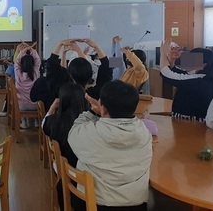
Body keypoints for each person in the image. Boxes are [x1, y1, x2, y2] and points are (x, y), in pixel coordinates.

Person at [68, 80, 152, 211]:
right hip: (137, 205)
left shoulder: (90, 133)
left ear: (103, 108)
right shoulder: (144, 133)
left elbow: (73, 132)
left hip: (96, 204)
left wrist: (92, 112)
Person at [42, 83, 87, 210]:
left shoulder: (53, 121)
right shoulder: (88, 124)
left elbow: (43, 126)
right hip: (84, 172)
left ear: (61, 101)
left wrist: (52, 107)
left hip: (62, 168)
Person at [160, 39, 213, 122]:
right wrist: (171, 59)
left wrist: (163, 53)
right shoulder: (200, 77)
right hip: (185, 123)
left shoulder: (200, 82)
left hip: (191, 127)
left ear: (203, 65)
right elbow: (177, 72)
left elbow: (167, 74)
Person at [31, 39, 73, 113]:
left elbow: (33, 98)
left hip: (48, 115)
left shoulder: (40, 81)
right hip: (61, 116)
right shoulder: (65, 87)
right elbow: (64, 72)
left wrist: (60, 45)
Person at [14, 43, 41, 129]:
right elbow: (37, 60)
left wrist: (23, 51)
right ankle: (37, 121)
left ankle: (25, 122)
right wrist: (31, 49)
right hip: (35, 105)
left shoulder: (18, 74)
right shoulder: (35, 73)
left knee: (23, 99)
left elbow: (17, 62)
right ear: (33, 64)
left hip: (22, 106)